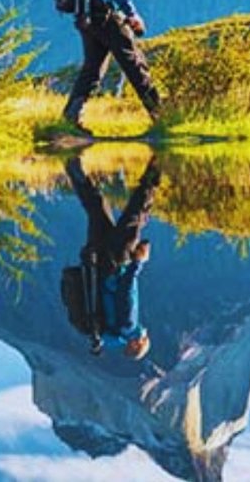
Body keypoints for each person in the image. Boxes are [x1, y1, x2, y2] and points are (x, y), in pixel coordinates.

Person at [62, 0, 163, 133]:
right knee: (134, 62)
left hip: (85, 16)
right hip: (106, 14)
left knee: (92, 69)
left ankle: (70, 118)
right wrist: (132, 14)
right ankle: (161, 116)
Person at [67, 154, 161, 360]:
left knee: (135, 216)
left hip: (116, 262)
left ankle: (157, 165)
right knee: (97, 208)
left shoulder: (128, 327)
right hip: (96, 263)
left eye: (145, 338)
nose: (145, 333)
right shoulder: (105, 333)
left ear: (136, 344)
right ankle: (73, 167)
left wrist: (138, 262)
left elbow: (125, 292)